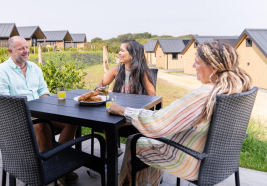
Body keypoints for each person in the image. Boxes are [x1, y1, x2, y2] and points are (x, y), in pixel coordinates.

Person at [107, 41, 252, 186]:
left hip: (193, 161)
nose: (193, 66)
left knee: (135, 140)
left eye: (197, 63)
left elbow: (158, 123)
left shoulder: (204, 95)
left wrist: (124, 111)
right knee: (151, 139)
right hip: (219, 161)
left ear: (213, 68)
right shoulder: (233, 89)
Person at [0, 36, 79, 185]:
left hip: (40, 113)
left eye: (26, 47)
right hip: (17, 118)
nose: (26, 51)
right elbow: (3, 105)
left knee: (71, 121)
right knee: (41, 125)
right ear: (10, 51)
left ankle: (57, 166)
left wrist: (46, 105)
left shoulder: (34, 68)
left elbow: (43, 91)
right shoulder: (2, 72)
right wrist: (28, 116)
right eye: (21, 49)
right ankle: (45, 173)